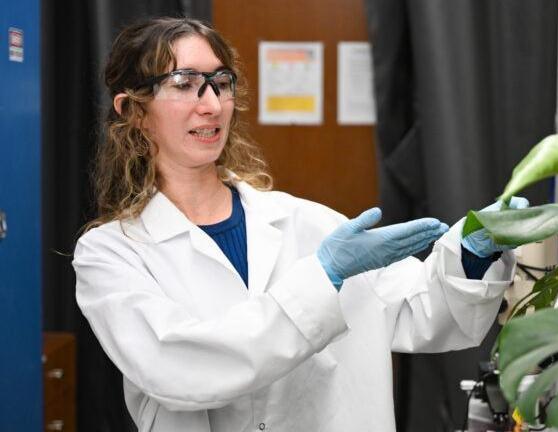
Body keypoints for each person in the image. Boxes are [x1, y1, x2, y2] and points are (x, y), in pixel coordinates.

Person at [73, 17, 528, 432]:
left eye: (220, 82)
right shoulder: (111, 254)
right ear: (133, 111)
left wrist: (471, 254)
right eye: (184, 82)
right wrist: (321, 278)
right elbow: (176, 366)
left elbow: (422, 310)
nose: (211, 104)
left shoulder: (307, 223)